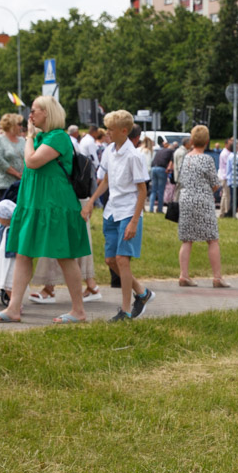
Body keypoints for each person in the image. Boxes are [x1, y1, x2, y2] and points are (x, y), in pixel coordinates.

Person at [0, 95, 90, 325]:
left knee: (65, 256)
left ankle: (78, 311)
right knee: (23, 253)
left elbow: (31, 161)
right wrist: (32, 138)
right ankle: (13, 309)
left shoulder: (59, 137)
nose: (30, 115)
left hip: (55, 206)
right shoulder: (42, 137)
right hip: (34, 204)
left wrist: (29, 138)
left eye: (35, 110)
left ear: (48, 113)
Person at [82, 109, 154, 321]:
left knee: (122, 260)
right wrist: (92, 201)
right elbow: (106, 180)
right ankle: (142, 292)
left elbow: (142, 191)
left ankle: (125, 310)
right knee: (110, 260)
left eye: (111, 130)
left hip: (128, 212)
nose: (107, 133)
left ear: (124, 131)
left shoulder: (134, 156)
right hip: (112, 211)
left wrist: (134, 221)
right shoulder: (109, 151)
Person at [175, 125, 229, 288]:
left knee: (187, 239)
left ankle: (184, 275)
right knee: (212, 239)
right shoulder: (207, 159)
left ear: (192, 141)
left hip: (185, 199)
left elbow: (181, 179)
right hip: (203, 199)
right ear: (206, 141)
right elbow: (215, 183)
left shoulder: (186, 158)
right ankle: (217, 277)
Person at [0, 112, 24, 202]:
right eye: (19, 124)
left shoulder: (22, 140)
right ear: (12, 125)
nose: (21, 127)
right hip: (5, 183)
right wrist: (16, 174)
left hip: (22, 182)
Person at [149, 140, 172, 214]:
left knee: (153, 190)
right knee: (161, 191)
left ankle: (151, 208)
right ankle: (159, 209)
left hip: (153, 168)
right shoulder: (170, 151)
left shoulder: (159, 151)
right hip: (162, 169)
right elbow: (171, 162)